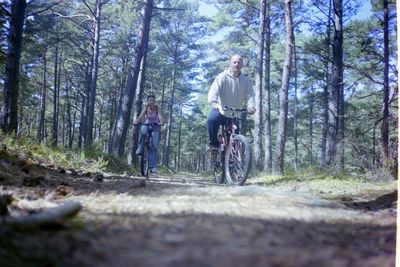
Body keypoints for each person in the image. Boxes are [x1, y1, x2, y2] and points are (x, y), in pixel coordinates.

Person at [207, 54, 256, 154]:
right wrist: (215, 104)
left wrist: (251, 107)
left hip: (234, 115)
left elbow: (250, 95)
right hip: (220, 111)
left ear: (242, 64)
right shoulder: (222, 77)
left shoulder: (246, 81)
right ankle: (214, 145)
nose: (237, 64)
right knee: (211, 119)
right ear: (230, 64)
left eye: (239, 62)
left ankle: (231, 164)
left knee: (233, 142)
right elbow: (213, 92)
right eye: (234, 62)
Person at [134, 94, 163, 173]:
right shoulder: (146, 108)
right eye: (150, 100)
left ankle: (153, 167)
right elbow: (141, 116)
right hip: (146, 124)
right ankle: (140, 148)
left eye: (153, 100)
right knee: (143, 132)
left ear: (154, 101)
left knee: (154, 145)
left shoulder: (157, 108)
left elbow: (160, 116)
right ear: (148, 101)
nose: (151, 102)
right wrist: (136, 121)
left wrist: (161, 122)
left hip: (155, 126)